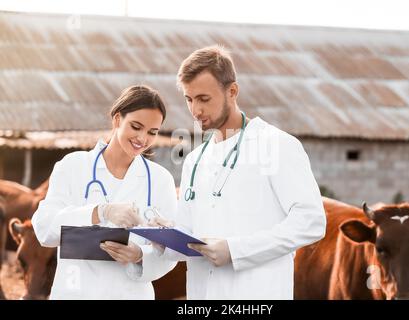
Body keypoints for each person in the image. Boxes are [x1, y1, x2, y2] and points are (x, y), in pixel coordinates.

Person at [153, 45, 327, 299]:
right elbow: (189, 240)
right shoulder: (194, 161)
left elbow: (311, 222)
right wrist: (165, 237)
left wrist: (236, 250)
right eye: (189, 99)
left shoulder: (276, 145)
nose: (195, 111)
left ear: (232, 91)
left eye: (204, 99)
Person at [31, 85, 177, 299]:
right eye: (136, 127)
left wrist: (140, 256)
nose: (142, 138)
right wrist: (100, 211)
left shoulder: (160, 179)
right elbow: (44, 230)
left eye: (152, 132)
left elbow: (170, 253)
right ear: (117, 120)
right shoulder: (72, 166)